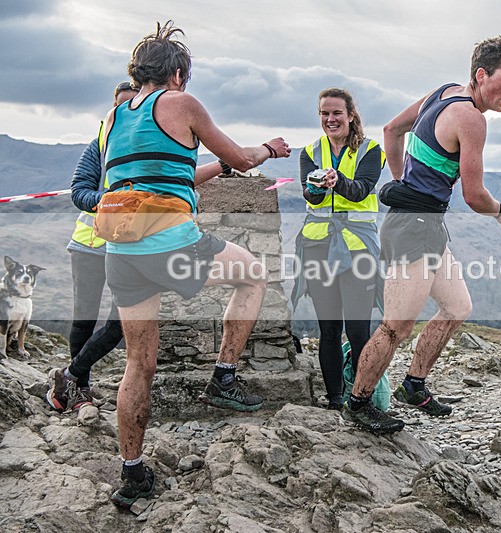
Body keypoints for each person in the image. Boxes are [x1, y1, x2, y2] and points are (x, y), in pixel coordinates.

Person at [100, 21, 290, 509]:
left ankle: (132, 475)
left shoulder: (114, 116)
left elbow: (168, 175)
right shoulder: (180, 104)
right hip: (171, 245)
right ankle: (224, 378)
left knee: (138, 365)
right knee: (254, 275)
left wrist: (216, 169)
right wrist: (268, 149)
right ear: (179, 74)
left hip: (122, 250)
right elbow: (245, 159)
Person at [342, 37, 501, 433]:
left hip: (424, 224)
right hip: (414, 228)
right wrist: (500, 212)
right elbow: (474, 195)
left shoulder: (444, 92)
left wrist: (401, 183)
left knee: (457, 307)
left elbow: (392, 129)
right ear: (482, 75)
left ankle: (414, 383)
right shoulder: (471, 119)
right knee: (396, 326)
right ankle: (358, 404)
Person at [46, 81, 236, 414]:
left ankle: (69, 377)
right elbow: (79, 192)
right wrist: (117, 203)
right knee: (83, 321)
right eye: (121, 107)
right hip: (91, 244)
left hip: (132, 247)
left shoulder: (151, 143)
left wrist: (221, 166)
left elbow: (181, 179)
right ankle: (79, 388)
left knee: (117, 325)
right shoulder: (98, 147)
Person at [291, 88, 385, 411]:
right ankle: (334, 401)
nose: (330, 119)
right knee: (328, 329)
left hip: (358, 247)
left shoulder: (371, 150)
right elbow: (311, 197)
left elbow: (361, 191)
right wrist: (317, 187)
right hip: (318, 245)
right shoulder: (309, 152)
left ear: (350, 116)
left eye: (336, 113)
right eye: (324, 114)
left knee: (358, 330)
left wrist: (338, 181)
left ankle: (362, 400)